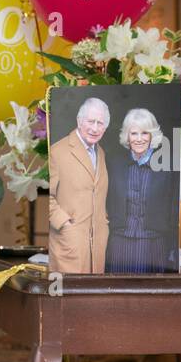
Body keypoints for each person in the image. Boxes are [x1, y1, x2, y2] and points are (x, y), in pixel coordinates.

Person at [104, 108, 178, 273]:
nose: (139, 139)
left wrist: (173, 248)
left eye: (144, 133)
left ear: (152, 135)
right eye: (133, 133)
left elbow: (173, 209)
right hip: (119, 244)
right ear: (127, 136)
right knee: (117, 293)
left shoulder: (167, 165)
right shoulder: (113, 163)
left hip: (154, 244)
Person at [48, 96, 110, 274]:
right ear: (79, 120)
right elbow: (48, 196)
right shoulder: (57, 151)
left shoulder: (101, 153)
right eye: (91, 121)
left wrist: (104, 220)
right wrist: (64, 223)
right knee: (68, 297)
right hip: (69, 241)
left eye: (101, 123)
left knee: (93, 298)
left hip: (97, 243)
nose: (95, 128)